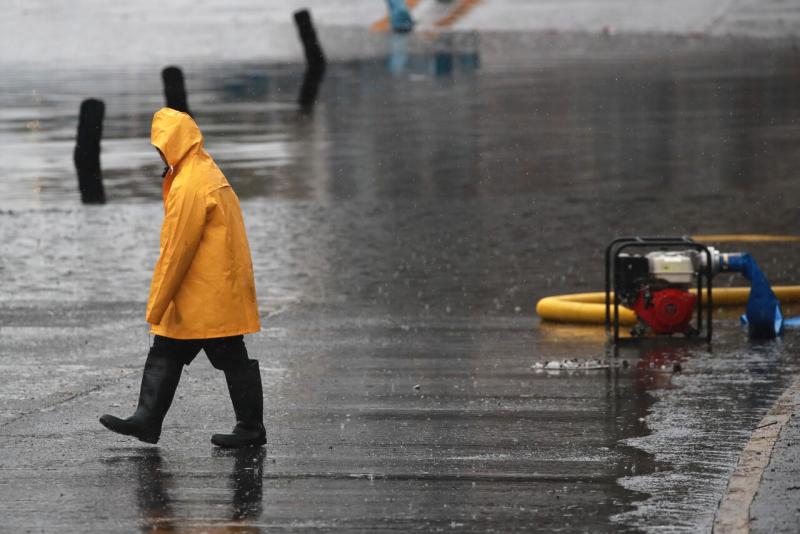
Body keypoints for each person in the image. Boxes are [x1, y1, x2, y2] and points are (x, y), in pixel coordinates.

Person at [100, 107, 264, 448]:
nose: (159, 151)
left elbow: (177, 251)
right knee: (173, 349)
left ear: (171, 144)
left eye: (160, 145)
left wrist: (156, 305)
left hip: (204, 290)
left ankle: (249, 428)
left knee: (216, 353)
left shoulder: (189, 184)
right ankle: (150, 420)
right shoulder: (202, 170)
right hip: (213, 286)